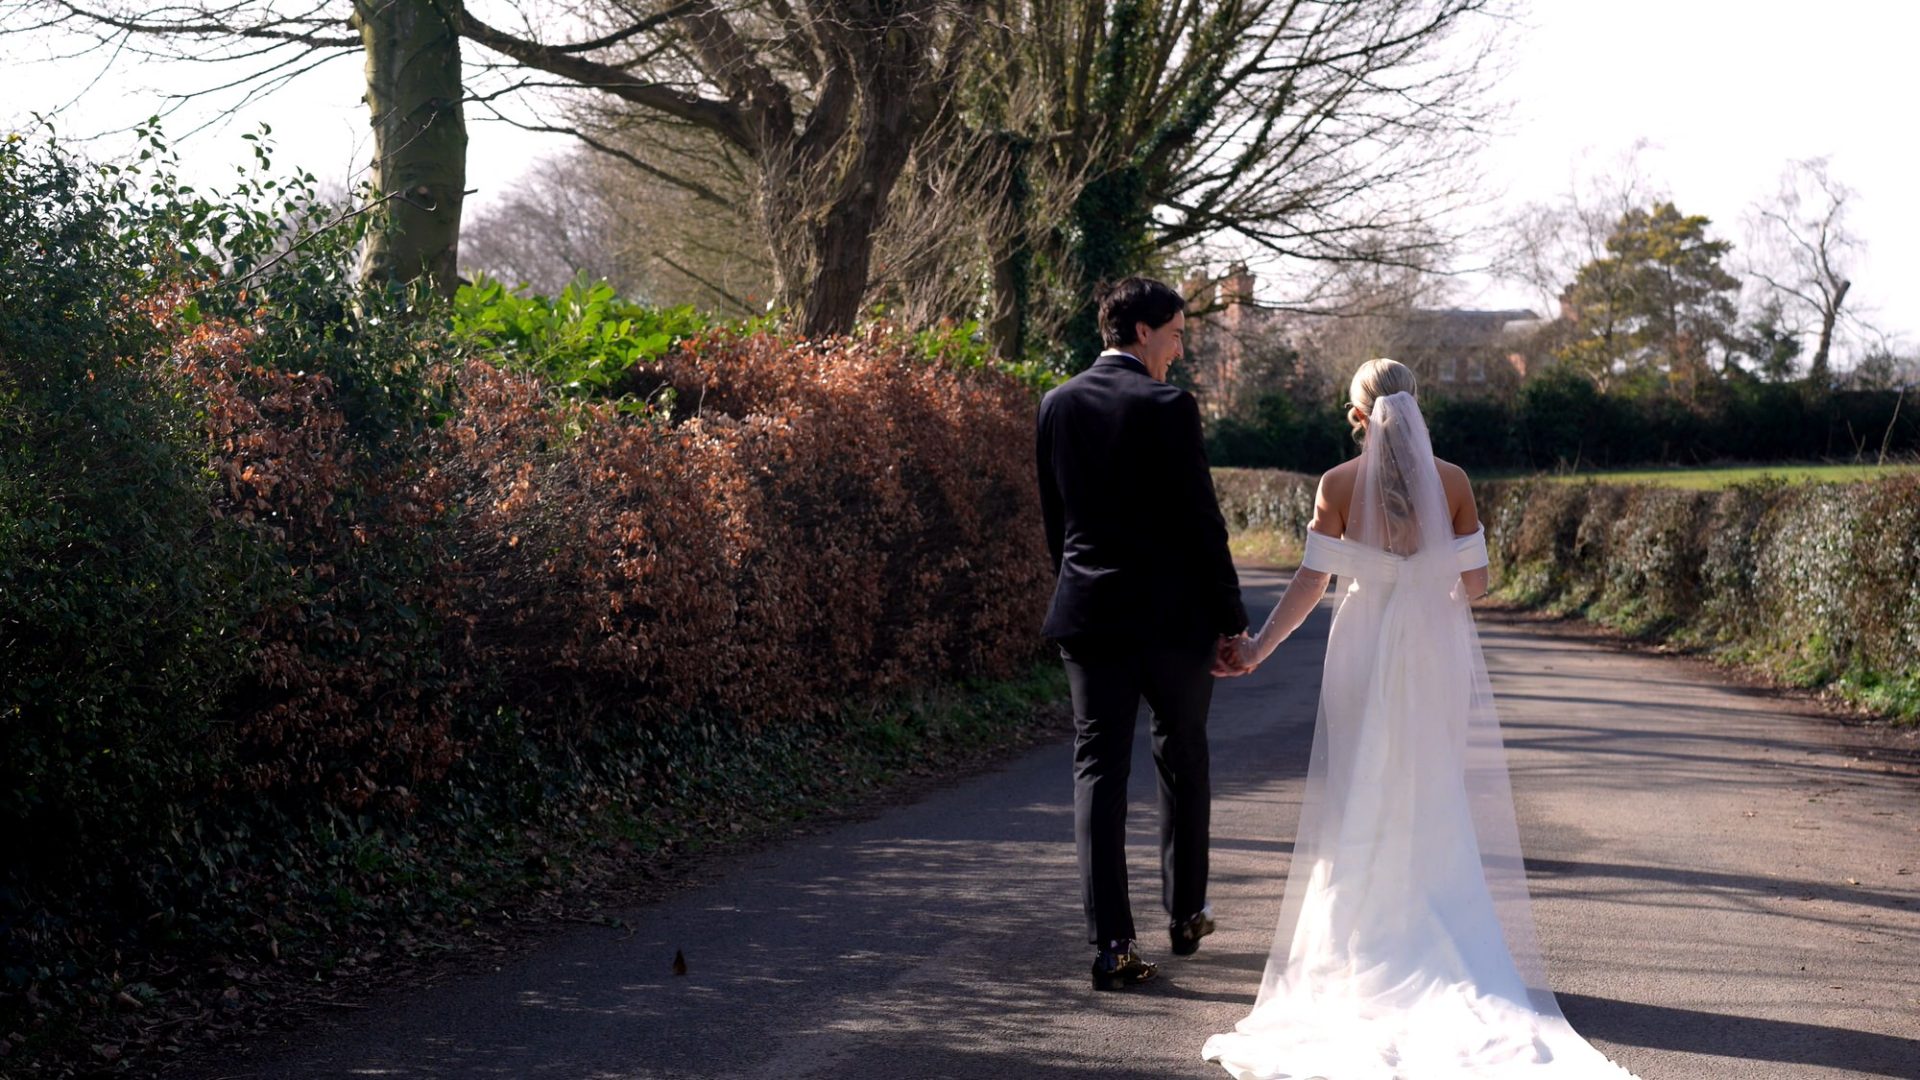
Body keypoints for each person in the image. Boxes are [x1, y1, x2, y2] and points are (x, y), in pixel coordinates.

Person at [1201, 359, 1640, 1077]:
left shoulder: (1338, 484)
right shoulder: (1455, 482)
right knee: (1428, 787)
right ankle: (1439, 940)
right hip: (1432, 651)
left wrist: (1255, 649)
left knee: (1357, 792)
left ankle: (1362, 947)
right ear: (1416, 405)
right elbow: (1476, 584)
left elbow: (1313, 582)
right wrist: (1423, 576)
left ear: (1356, 412)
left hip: (1363, 644)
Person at [1035, 276, 1254, 992]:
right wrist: (1230, 617)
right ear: (1141, 334)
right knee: (1182, 755)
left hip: (1091, 612)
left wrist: (1079, 587)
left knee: (1098, 769)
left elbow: (1057, 524)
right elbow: (1201, 519)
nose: (1181, 348)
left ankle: (1111, 946)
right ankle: (1187, 911)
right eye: (1177, 334)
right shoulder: (1169, 405)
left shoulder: (1056, 404)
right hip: (1171, 619)